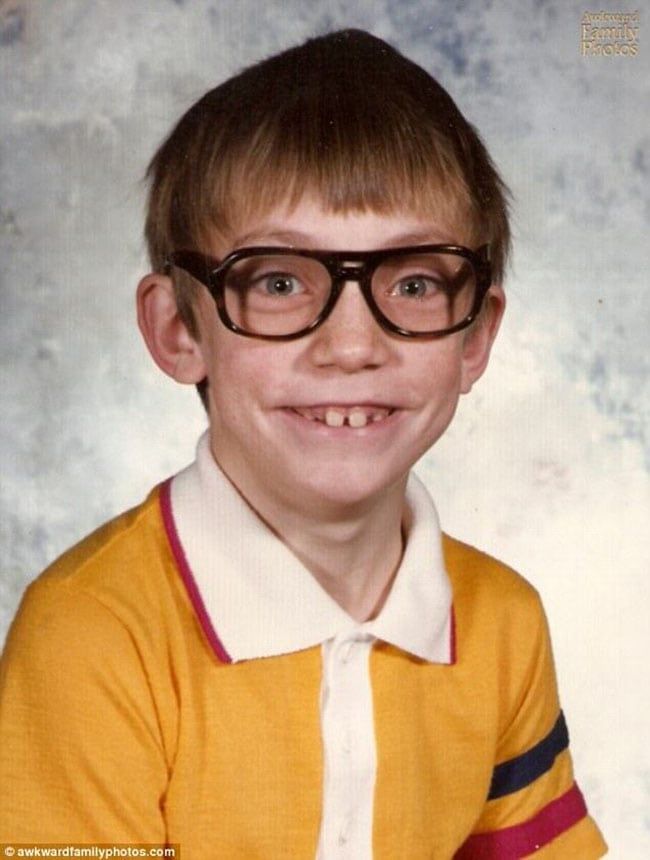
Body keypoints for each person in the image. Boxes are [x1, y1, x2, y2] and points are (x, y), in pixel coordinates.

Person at [0, 29, 607, 859]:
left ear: (475, 338)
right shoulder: (94, 634)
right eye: (280, 280)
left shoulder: (503, 624)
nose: (352, 345)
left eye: (416, 282)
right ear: (178, 329)